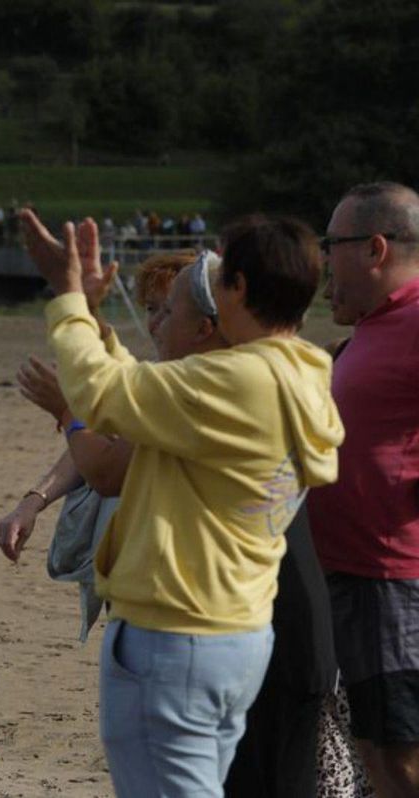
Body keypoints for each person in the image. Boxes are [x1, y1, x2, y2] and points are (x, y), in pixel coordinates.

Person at [20, 209, 343, 797]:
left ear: (239, 288)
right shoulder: (296, 372)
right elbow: (140, 396)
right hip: (230, 630)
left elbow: (101, 393)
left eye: (223, 278)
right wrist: (92, 318)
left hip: (177, 638)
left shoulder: (239, 382)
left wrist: (68, 301)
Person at [307, 181, 419, 798]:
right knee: (377, 752)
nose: (326, 260)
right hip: (353, 575)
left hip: (390, 581)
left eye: (333, 245)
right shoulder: (378, 326)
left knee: (399, 756)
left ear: (374, 248)